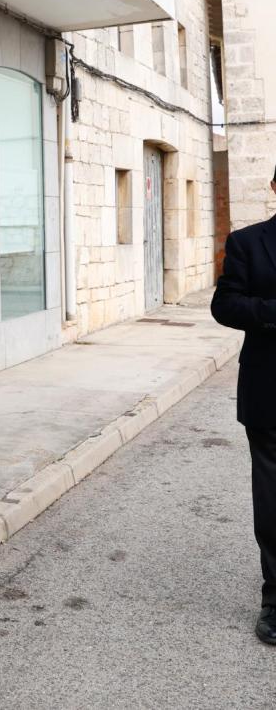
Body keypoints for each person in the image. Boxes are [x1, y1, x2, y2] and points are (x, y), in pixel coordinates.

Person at [211, 166, 276, 646]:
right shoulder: (247, 243)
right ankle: (275, 598)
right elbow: (225, 305)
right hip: (268, 392)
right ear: (275, 188)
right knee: (273, 503)